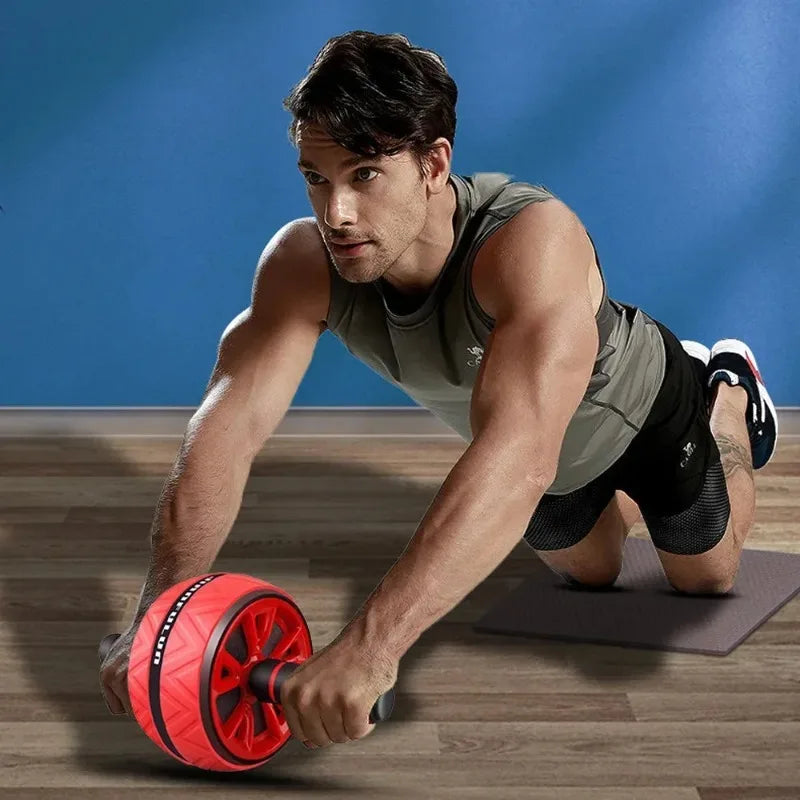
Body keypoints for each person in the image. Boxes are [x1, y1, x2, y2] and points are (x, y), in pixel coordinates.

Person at [100, 30, 778, 752]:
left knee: (703, 577)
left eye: (363, 175)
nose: (337, 214)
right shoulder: (303, 266)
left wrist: (369, 648)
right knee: (595, 574)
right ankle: (619, 499)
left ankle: (729, 390)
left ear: (434, 164)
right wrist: (160, 616)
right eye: (316, 178)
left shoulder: (527, 242)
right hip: (540, 445)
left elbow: (519, 459)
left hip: (643, 411)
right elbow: (224, 434)